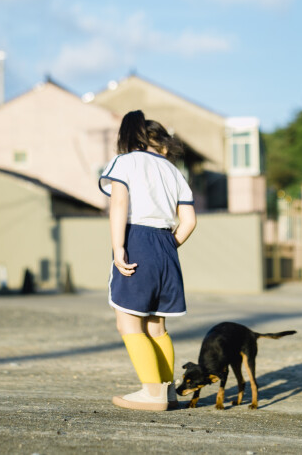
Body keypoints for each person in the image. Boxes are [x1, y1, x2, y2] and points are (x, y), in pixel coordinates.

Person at [98, 110, 197, 411]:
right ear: (162, 144)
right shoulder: (173, 171)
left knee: (128, 322)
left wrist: (119, 248)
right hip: (167, 243)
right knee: (156, 324)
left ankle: (151, 394)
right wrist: (169, 245)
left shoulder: (124, 162)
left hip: (137, 238)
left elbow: (119, 203)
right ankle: (167, 393)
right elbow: (190, 220)